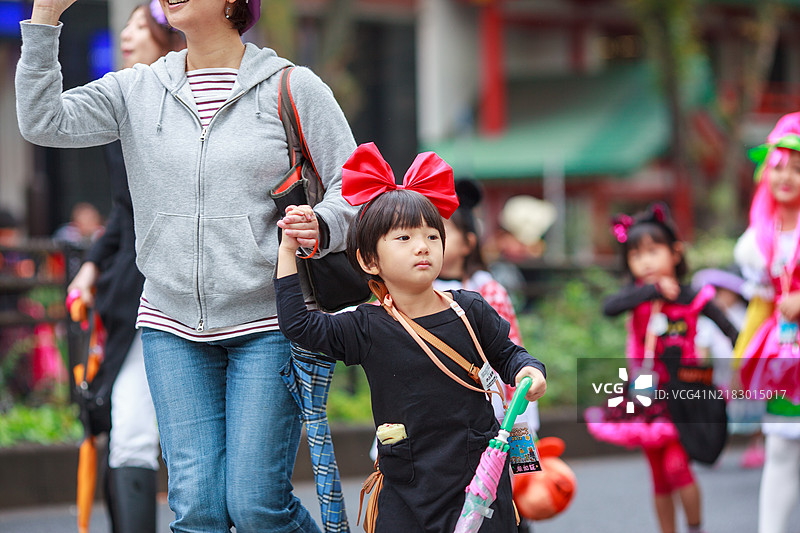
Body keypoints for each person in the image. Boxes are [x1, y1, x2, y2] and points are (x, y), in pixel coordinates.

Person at [16, 0, 358, 530]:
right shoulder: (134, 89)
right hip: (171, 325)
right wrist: (44, 20)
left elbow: (354, 185)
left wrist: (326, 223)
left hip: (269, 322)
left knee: (255, 506)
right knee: (196, 509)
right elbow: (43, 121)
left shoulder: (292, 87)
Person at [274, 142, 547, 532]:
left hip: (479, 480)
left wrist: (529, 371)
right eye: (403, 239)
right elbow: (299, 326)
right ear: (370, 260)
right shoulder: (365, 325)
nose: (422, 246)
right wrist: (287, 249)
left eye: (432, 237)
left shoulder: (469, 308)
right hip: (408, 489)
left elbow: (508, 354)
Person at [66, 3, 184, 531]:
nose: (127, 34)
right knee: (128, 426)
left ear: (167, 37)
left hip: (194, 287)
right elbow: (123, 211)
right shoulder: (121, 104)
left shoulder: (187, 103)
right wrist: (92, 266)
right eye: (127, 25)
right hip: (133, 294)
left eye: (140, 25)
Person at [587, 203, 737, 533]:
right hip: (644, 390)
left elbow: (730, 328)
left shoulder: (691, 296)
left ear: (676, 252)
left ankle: (696, 528)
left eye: (653, 251)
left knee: (677, 466)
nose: (645, 261)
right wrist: (650, 291)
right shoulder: (636, 296)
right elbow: (609, 307)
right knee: (658, 473)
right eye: (636, 255)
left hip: (685, 389)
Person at [734, 111, 800, 533]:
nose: (787, 177)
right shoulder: (757, 241)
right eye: (779, 167)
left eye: (797, 168)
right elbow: (759, 306)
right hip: (785, 359)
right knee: (780, 448)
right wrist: (743, 360)